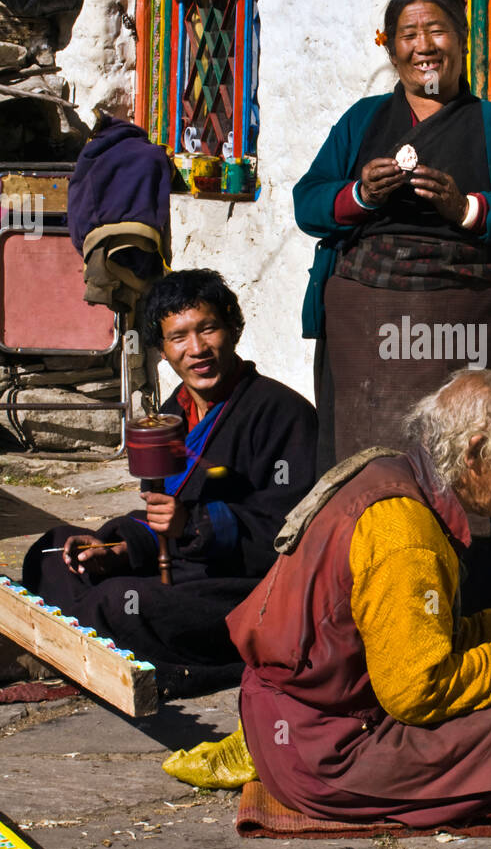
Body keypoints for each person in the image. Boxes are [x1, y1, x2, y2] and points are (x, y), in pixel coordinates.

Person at [292, 0, 491, 611]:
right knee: (371, 459)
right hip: (370, 333)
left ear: (462, 41)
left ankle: (488, 596)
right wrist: (360, 194)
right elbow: (310, 203)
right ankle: (362, 588)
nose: (424, 46)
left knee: (474, 461)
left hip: (470, 327)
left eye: (436, 31)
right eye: (408, 35)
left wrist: (465, 207)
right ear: (390, 48)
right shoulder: (363, 122)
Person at [225, 369, 491, 828]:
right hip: (327, 756)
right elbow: (415, 694)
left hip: (292, 729)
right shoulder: (406, 534)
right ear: (476, 452)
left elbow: (426, 637)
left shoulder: (391, 472)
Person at [24, 270, 318, 698]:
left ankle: (92, 639)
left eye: (208, 328)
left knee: (119, 603)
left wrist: (195, 525)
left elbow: (290, 537)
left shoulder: (281, 413)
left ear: (232, 330)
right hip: (176, 565)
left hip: (244, 588)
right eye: (178, 337)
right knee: (51, 549)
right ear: (162, 350)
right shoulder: (171, 414)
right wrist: (121, 548)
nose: (196, 349)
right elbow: (159, 512)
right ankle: (87, 632)